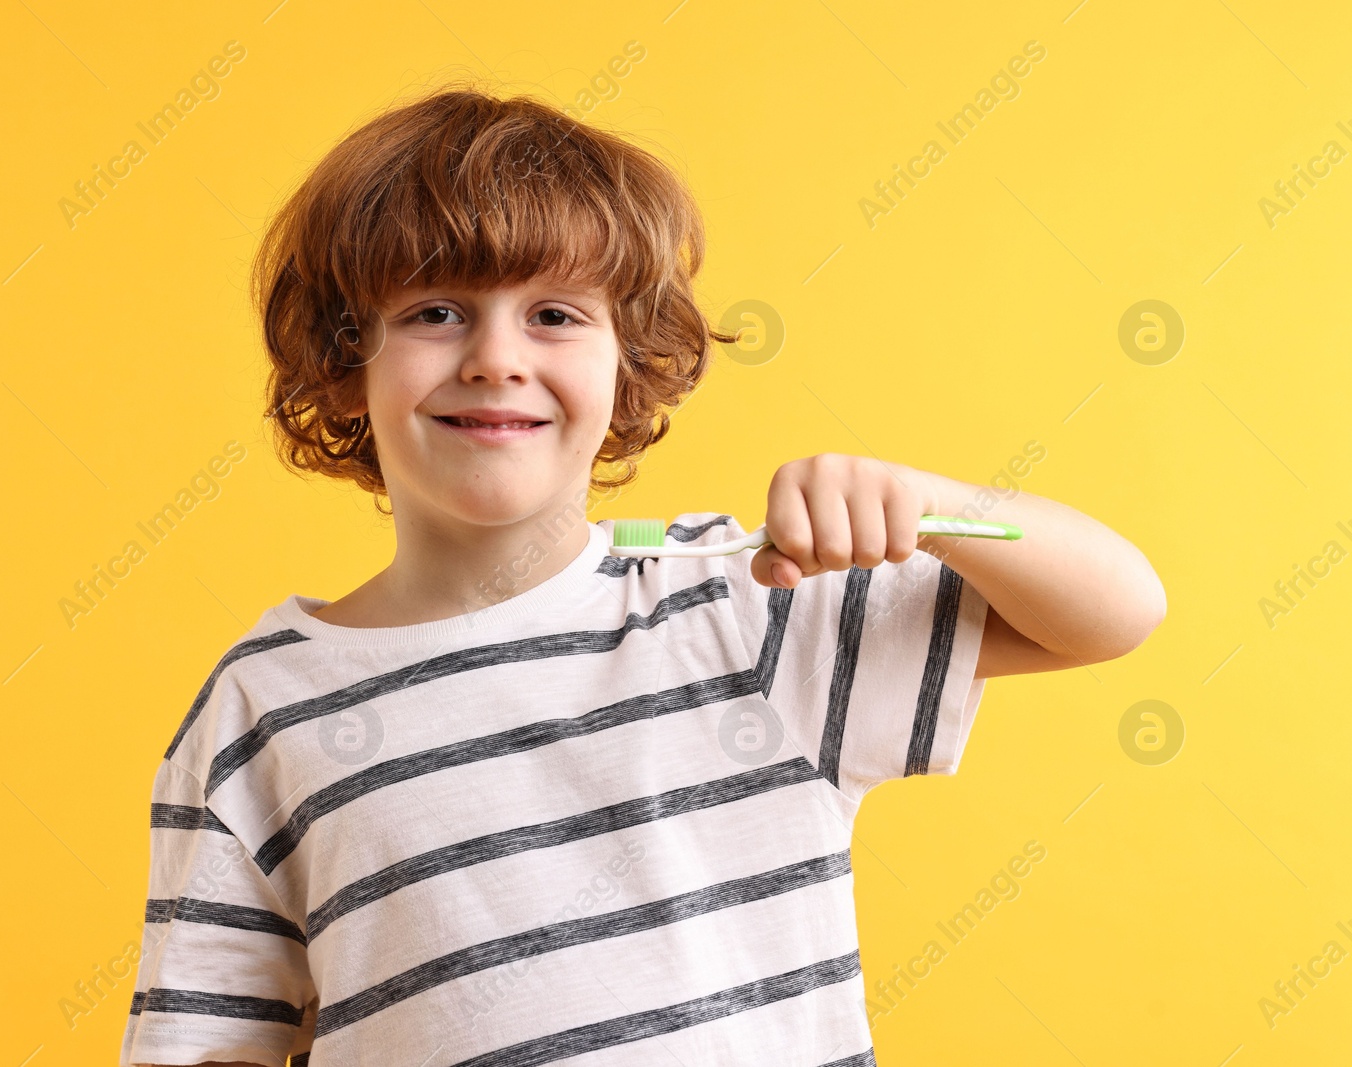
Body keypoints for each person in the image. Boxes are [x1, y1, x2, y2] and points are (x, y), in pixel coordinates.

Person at [121, 83, 1165, 1067]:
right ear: (347, 364)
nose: (495, 357)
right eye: (435, 310)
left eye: (556, 315)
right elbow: (207, 1041)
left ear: (632, 363)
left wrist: (935, 508)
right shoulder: (263, 706)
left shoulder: (747, 601)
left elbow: (1117, 608)